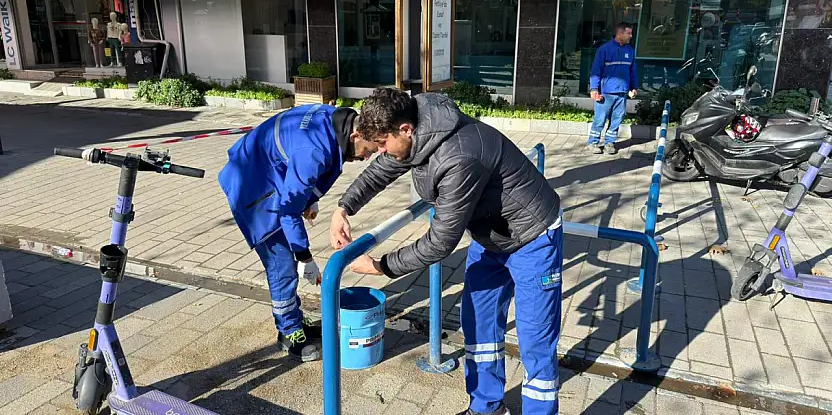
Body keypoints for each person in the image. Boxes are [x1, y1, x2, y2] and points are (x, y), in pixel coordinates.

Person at [329, 88, 564, 415]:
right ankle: (486, 407)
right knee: (479, 324)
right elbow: (383, 168)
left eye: (383, 143)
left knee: (535, 340)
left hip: (533, 236)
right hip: (491, 235)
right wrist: (343, 208)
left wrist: (382, 266)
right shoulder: (415, 132)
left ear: (405, 130)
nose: (380, 151)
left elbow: (440, 242)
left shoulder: (458, 157)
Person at [218, 103, 377, 362]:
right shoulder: (314, 150)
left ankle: (295, 320)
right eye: (367, 151)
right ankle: (290, 333)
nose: (366, 157)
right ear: (355, 135)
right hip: (254, 189)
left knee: (286, 262)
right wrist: (305, 257)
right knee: (283, 266)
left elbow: (302, 173)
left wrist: (309, 199)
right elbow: (288, 211)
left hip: (266, 172)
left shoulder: (333, 120)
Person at [587, 21, 639, 155]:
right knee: (600, 119)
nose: (631, 36)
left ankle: (610, 143)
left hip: (622, 93)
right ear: (620, 33)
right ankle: (592, 143)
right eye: (628, 33)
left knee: (617, 119)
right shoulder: (604, 49)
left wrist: (634, 87)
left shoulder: (630, 51)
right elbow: (595, 70)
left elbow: (632, 71)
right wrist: (594, 89)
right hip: (606, 93)